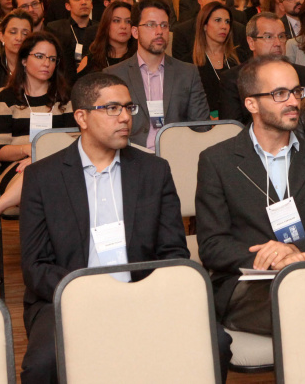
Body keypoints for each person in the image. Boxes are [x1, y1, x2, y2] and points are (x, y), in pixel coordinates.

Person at [18, 71, 231, 383]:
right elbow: (35, 266)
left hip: (144, 293)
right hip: (71, 298)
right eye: (112, 108)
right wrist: (87, 292)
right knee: (42, 365)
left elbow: (173, 252)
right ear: (82, 117)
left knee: (216, 343)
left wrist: (143, 293)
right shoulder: (43, 177)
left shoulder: (153, 171)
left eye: (129, 108)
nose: (125, 118)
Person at [196, 55, 305, 335]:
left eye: (296, 91)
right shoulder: (217, 161)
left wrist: (297, 252)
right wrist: (271, 258)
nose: (293, 102)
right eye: (280, 93)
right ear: (251, 104)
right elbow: (212, 245)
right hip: (249, 286)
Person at [0, 32, 75, 218]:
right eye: (39, 56)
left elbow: (75, 142)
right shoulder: (5, 97)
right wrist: (29, 150)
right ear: (24, 60)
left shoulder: (65, 98)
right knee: (35, 174)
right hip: (16, 167)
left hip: (59, 162)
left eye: (52, 59)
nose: (47, 63)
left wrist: (41, 155)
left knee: (42, 172)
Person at [104, 0, 208, 148]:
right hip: (131, 156)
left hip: (177, 155)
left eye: (164, 25)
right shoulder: (114, 75)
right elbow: (108, 128)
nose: (159, 31)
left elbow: (201, 127)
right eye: (151, 25)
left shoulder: (187, 73)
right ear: (135, 32)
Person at [219, 13, 305, 125]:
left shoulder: (303, 75)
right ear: (251, 42)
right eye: (269, 37)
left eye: (281, 36)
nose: (278, 43)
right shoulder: (232, 79)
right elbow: (233, 128)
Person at [0, 10, 34, 121]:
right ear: (1, 36)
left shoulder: (39, 66)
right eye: (13, 32)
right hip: (1, 125)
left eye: (25, 34)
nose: (19, 38)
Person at [192, 2, 240, 118]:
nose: (224, 26)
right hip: (204, 121)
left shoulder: (238, 58)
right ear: (204, 25)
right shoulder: (189, 62)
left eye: (227, 22)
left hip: (236, 121)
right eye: (218, 20)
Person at [46, 0, 98, 85]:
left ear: (91, 4)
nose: (83, 2)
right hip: (64, 84)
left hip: (94, 82)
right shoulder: (55, 29)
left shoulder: (100, 29)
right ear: (68, 6)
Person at [76, 1, 136, 79]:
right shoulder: (91, 60)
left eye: (128, 21)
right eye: (116, 21)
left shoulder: (139, 58)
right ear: (106, 25)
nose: (123, 26)